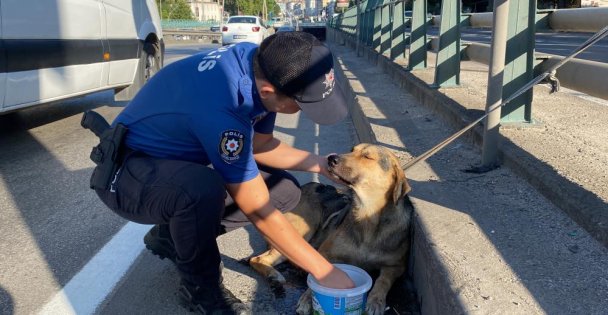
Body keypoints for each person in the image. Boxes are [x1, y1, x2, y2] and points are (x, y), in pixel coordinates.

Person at [93, 31, 355, 314]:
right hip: (128, 175)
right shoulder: (224, 106)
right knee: (200, 190)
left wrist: (318, 163)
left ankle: (172, 237)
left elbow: (259, 144)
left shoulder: (262, 65)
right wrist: (325, 273)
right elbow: (257, 209)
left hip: (172, 163)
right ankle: (202, 293)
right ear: (269, 92)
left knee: (284, 191)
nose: (303, 111)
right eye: (302, 104)